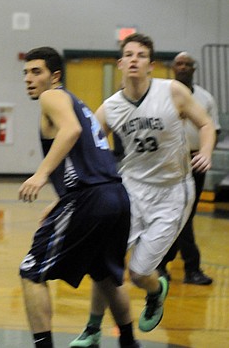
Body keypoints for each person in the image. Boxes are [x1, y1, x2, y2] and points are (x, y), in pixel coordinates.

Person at [71, 33, 214, 346]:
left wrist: (204, 151)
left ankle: (155, 290)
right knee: (105, 261)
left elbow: (205, 124)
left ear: (150, 64)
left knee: (137, 273)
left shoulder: (172, 91)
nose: (134, 59)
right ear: (120, 63)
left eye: (141, 55)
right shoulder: (110, 107)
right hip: (132, 188)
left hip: (173, 190)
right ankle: (93, 328)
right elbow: (89, 147)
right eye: (129, 54)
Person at [19, 47, 138, 348]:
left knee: (31, 271)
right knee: (106, 277)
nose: (29, 79)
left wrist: (41, 174)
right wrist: (61, 199)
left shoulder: (52, 96)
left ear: (55, 76)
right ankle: (129, 343)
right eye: (26, 73)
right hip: (115, 196)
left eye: (36, 72)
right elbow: (89, 156)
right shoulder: (80, 104)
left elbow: (70, 131)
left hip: (90, 199)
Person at [157, 52, 220, 285]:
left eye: (187, 64)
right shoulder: (162, 94)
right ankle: (186, 268)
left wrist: (205, 153)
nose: (183, 67)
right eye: (179, 63)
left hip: (195, 162)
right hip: (168, 163)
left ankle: (166, 265)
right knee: (173, 215)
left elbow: (213, 129)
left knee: (186, 215)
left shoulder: (205, 98)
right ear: (173, 68)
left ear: (194, 68)